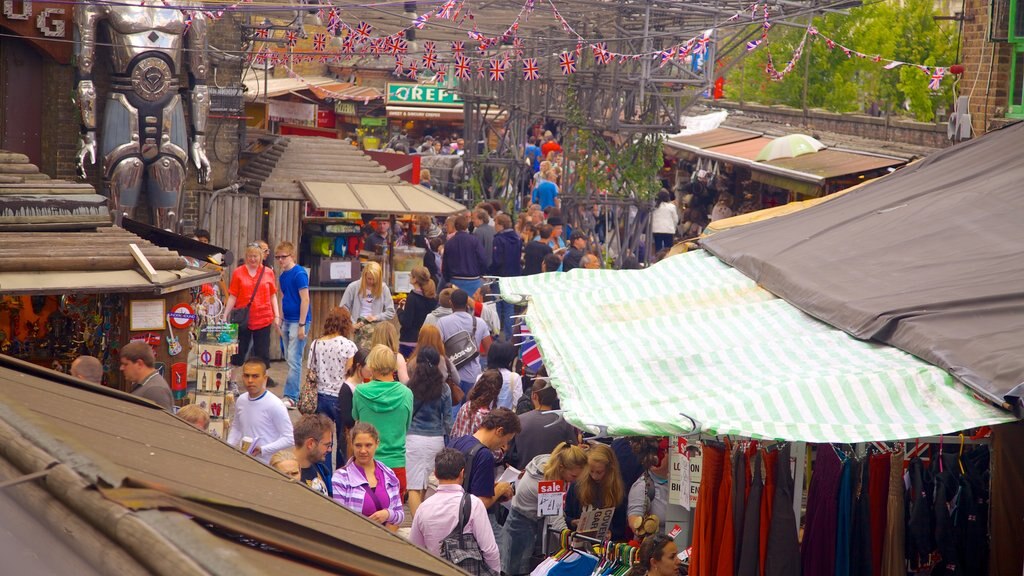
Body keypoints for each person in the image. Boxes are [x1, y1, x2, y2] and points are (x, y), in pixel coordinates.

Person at [501, 442, 588, 575]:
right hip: (522, 530)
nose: (573, 481)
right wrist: (574, 545)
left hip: (523, 523)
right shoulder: (547, 485)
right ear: (561, 467)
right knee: (518, 571)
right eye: (574, 476)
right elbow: (556, 522)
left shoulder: (550, 461)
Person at [409, 448, 501, 573]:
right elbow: (489, 550)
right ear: (462, 473)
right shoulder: (473, 504)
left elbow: (415, 549)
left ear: (435, 474)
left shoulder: (423, 508)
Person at [352, 345, 413, 495]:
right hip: (396, 462)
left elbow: (355, 418)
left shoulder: (360, 392)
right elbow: (407, 425)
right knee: (392, 515)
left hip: (367, 460)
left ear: (372, 364)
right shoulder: (406, 393)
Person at [405, 347, 454, 516]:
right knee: (429, 484)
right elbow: (448, 420)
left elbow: (407, 415)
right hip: (435, 440)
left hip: (413, 439)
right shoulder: (444, 389)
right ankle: (424, 524)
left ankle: (417, 526)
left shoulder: (409, 387)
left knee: (413, 486)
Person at [307, 307, 358, 466]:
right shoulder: (349, 346)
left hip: (321, 397)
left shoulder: (316, 344)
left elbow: (311, 371)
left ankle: (325, 478)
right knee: (343, 442)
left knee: (324, 443)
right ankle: (342, 476)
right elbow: (351, 375)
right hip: (342, 398)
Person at [331, 422, 405, 530]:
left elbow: (400, 515)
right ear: (351, 444)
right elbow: (339, 518)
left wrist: (387, 514)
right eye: (358, 445)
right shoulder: (341, 478)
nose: (363, 451)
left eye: (368, 445)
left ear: (377, 444)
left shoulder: (388, 474)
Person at [226, 358, 294, 465]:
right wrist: (228, 446)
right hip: (244, 461)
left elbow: (289, 438)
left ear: (265, 378)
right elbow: (237, 427)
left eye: (255, 376)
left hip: (267, 465)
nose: (250, 380)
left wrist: (263, 450)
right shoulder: (241, 400)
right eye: (247, 376)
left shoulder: (275, 405)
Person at [449, 408, 520, 510]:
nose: (505, 445)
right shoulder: (484, 455)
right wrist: (500, 489)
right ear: (499, 431)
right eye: (507, 440)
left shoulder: (457, 441)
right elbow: (480, 503)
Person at [224, 242, 280, 367]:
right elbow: (233, 295)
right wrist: (225, 314)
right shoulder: (238, 272)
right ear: (246, 256)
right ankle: (232, 382)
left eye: (255, 256)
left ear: (261, 256)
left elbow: (273, 295)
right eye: (250, 256)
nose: (252, 259)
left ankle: (261, 383)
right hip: (243, 319)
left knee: (262, 354)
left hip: (263, 318)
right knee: (238, 353)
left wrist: (277, 315)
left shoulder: (268, 272)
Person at [437, 289, 493, 408]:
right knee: (470, 413)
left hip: (451, 376)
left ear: (451, 303)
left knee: (452, 413)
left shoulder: (442, 322)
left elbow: (438, 349)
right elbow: (490, 350)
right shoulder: (480, 323)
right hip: (473, 376)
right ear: (467, 303)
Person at [508, 382, 579, 469]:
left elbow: (509, 451)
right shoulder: (564, 422)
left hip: (525, 474)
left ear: (534, 395)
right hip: (554, 475)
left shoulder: (519, 420)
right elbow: (573, 450)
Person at [275, 241, 311, 408]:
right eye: (278, 257)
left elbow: (305, 299)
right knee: (289, 357)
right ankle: (290, 394)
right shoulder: (282, 276)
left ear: (292, 256)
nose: (281, 260)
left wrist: (303, 324)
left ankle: (292, 396)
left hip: (298, 320)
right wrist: (280, 318)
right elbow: (283, 297)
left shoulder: (299, 274)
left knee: (294, 359)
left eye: (284, 257)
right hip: (287, 319)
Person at [565, 443, 626, 539]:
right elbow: (566, 515)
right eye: (591, 471)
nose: (594, 476)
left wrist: (612, 534)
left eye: (599, 472)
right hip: (579, 541)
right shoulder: (577, 485)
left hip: (604, 546)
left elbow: (621, 526)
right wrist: (572, 522)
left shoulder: (617, 490)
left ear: (610, 470)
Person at [340, 261, 396, 349]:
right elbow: (343, 308)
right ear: (364, 275)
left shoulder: (384, 288)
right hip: (358, 326)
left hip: (376, 329)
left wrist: (377, 317)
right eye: (369, 278)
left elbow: (391, 312)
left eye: (374, 279)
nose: (371, 281)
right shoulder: (353, 287)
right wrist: (352, 324)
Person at [627, 437, 672, 537]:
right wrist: (647, 528)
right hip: (657, 549)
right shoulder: (642, 486)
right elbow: (634, 521)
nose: (654, 458)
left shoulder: (680, 483)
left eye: (661, 453)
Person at [489, 213, 522, 339]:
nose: (494, 227)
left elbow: (497, 260)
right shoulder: (517, 238)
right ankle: (509, 336)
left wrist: (490, 270)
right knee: (509, 306)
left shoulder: (498, 239)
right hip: (513, 276)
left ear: (501, 225)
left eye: (496, 224)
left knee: (497, 305)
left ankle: (496, 333)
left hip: (500, 275)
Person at [337, 347, 371, 464]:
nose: (372, 370)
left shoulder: (363, 383)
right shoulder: (347, 388)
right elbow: (347, 419)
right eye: (369, 366)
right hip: (349, 438)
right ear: (359, 366)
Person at [408, 324, 460, 397]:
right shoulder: (444, 360)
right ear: (439, 339)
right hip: (440, 397)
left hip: (417, 398)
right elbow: (457, 380)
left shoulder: (412, 362)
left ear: (420, 338)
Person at [450, 370, 503, 442]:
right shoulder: (484, 416)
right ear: (497, 391)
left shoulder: (466, 406)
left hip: (457, 448)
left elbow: (453, 433)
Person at [119, 342, 173, 411]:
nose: (121, 368)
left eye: (125, 364)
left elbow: (164, 420)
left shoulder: (155, 390)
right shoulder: (145, 385)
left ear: (139, 364)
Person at [442, 215, 487, 296]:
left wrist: (447, 278)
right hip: (473, 279)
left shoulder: (449, 243)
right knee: (474, 306)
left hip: (455, 280)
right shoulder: (474, 241)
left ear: (455, 226)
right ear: (467, 226)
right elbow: (482, 258)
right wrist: (481, 273)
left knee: (458, 305)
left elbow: (445, 263)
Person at [398, 266, 438, 357]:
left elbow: (406, 322)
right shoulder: (431, 296)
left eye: (411, 276)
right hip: (426, 341)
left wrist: (400, 310)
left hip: (409, 341)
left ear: (415, 279)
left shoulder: (412, 297)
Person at [293, 413, 335, 497]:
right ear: (310, 444)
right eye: (327, 445)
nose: (330, 450)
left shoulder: (323, 471)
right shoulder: (286, 472)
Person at [484, 341, 523, 410]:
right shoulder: (514, 378)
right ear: (509, 358)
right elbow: (517, 402)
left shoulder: (481, 377)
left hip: (484, 419)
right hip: (506, 418)